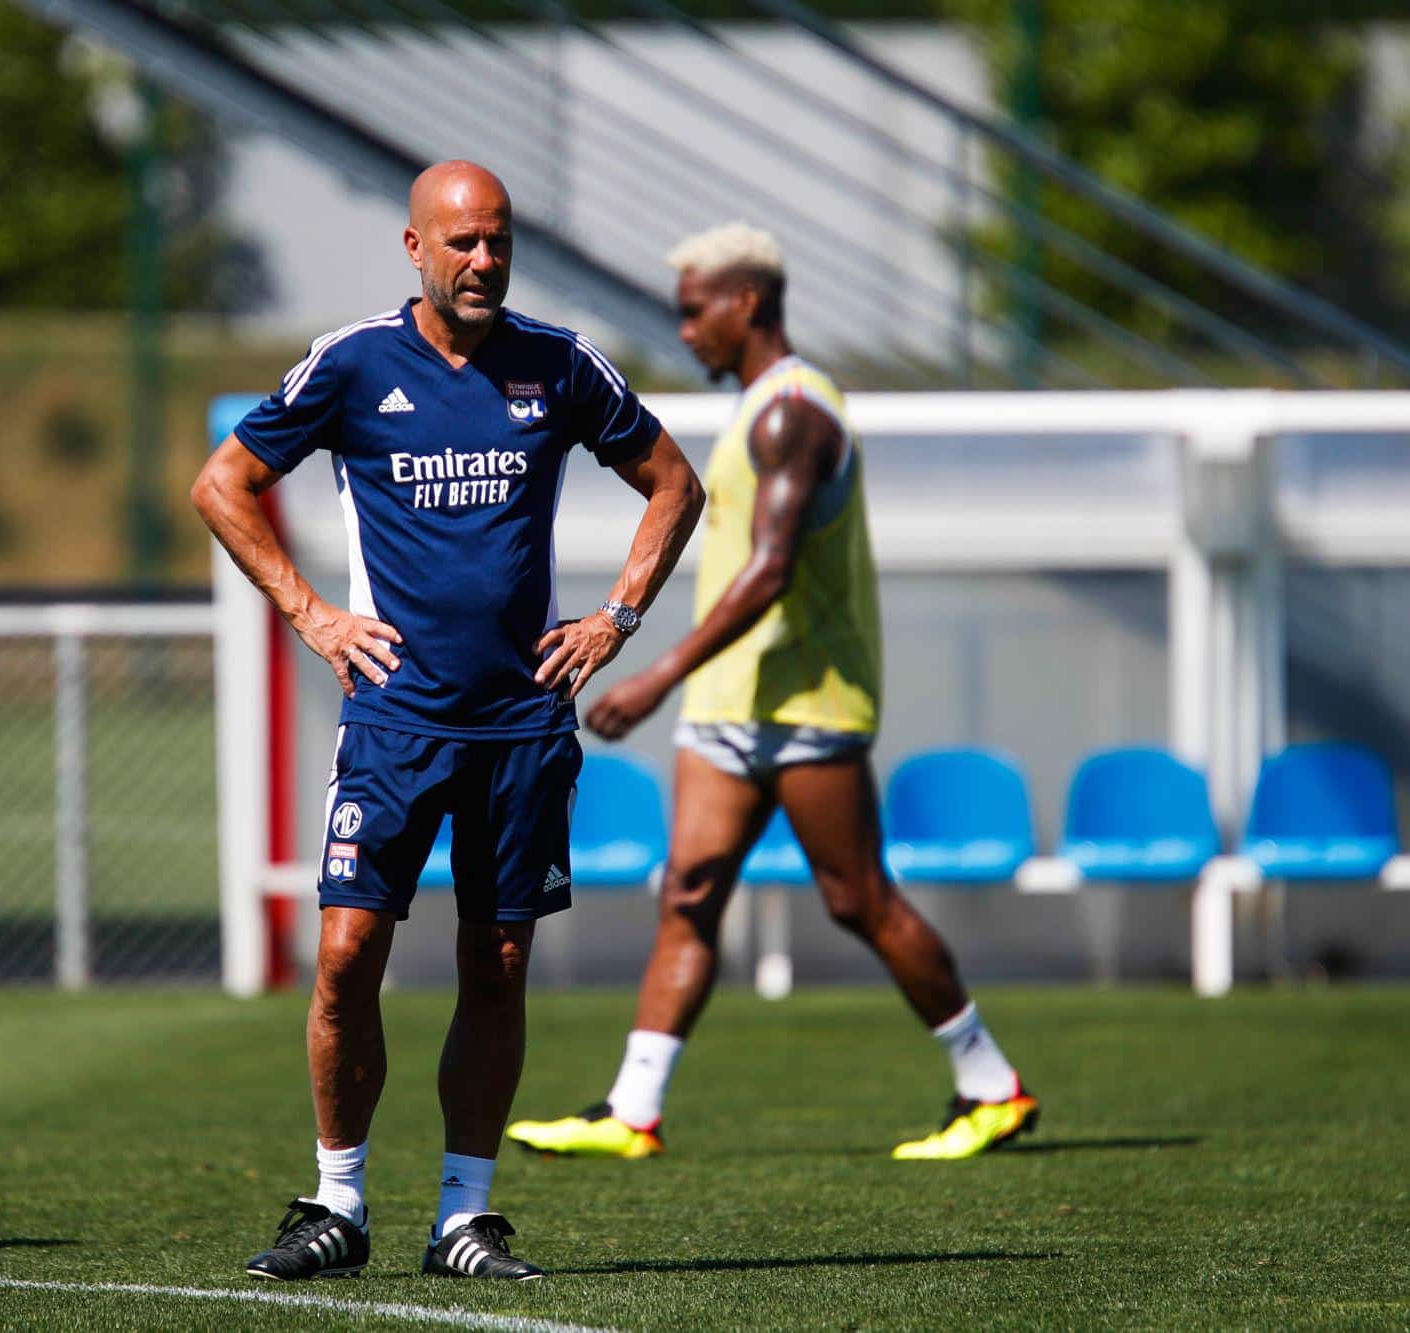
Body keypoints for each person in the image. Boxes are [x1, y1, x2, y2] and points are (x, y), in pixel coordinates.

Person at [192, 161, 703, 1281]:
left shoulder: (560, 365)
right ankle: (335, 1204)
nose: (483, 260)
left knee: (500, 958)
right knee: (344, 953)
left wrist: (614, 619)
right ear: (414, 248)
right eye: (462, 242)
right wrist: (313, 615)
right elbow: (222, 484)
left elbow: (674, 483)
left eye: (498, 241)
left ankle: (462, 1219)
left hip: (521, 726)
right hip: (396, 722)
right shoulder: (353, 362)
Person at [505, 222, 1037, 1164]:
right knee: (691, 893)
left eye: (692, 310)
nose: (684, 331)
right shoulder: (757, 408)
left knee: (857, 899)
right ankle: (633, 1109)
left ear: (744, 302)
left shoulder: (796, 413)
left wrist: (656, 670)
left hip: (804, 704)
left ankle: (990, 1083)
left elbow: (773, 569)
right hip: (727, 707)